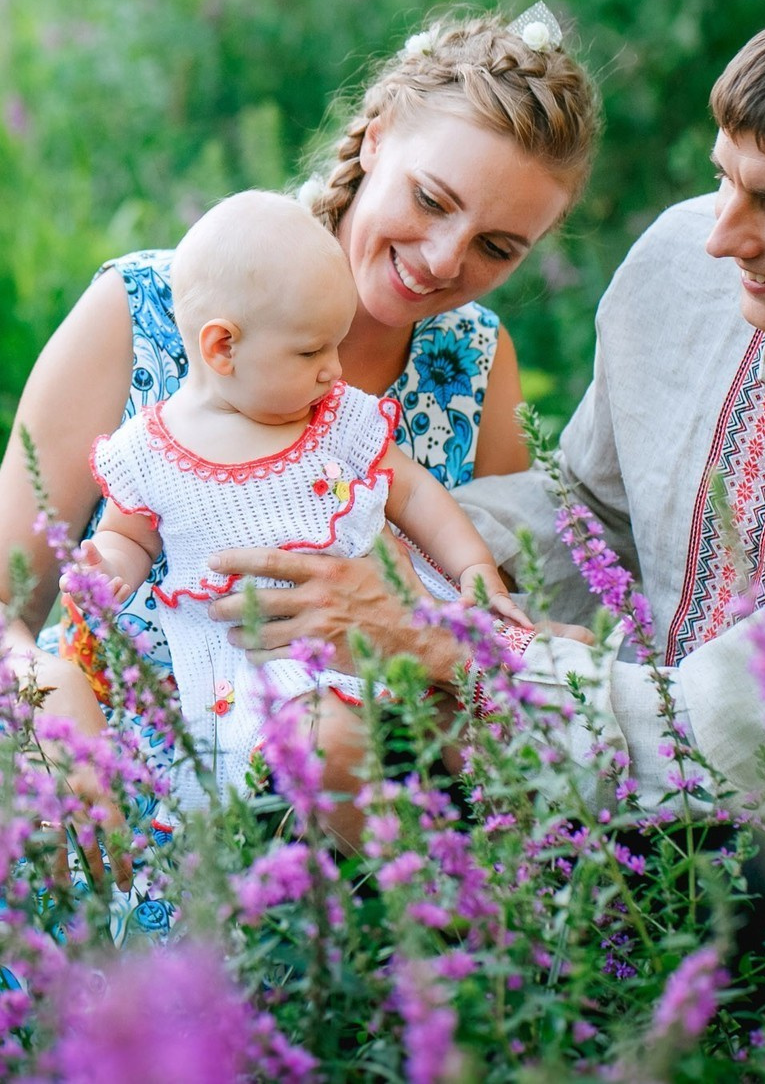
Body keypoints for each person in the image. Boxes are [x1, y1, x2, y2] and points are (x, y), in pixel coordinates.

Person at [213, 0, 765, 883]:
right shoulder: (683, 264)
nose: (721, 238)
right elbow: (585, 512)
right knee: (314, 759)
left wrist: (460, 648)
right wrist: (359, 555)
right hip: (610, 740)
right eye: (725, 179)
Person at [0, 6, 602, 842]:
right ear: (376, 139)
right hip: (94, 784)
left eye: (498, 248)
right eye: (431, 199)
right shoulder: (146, 313)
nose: (444, 259)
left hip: (322, 820)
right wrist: (58, 717)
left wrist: (489, 646)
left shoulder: (471, 362)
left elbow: (471, 623)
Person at [59, 190, 527, 840]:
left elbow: (414, 493)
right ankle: (401, 871)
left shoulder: (333, 417)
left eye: (335, 346)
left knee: (475, 720)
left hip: (389, 621)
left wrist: (474, 567)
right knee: (326, 745)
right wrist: (105, 569)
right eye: (311, 353)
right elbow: (127, 537)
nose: (334, 369)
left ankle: (512, 851)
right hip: (269, 657)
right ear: (222, 347)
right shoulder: (151, 450)